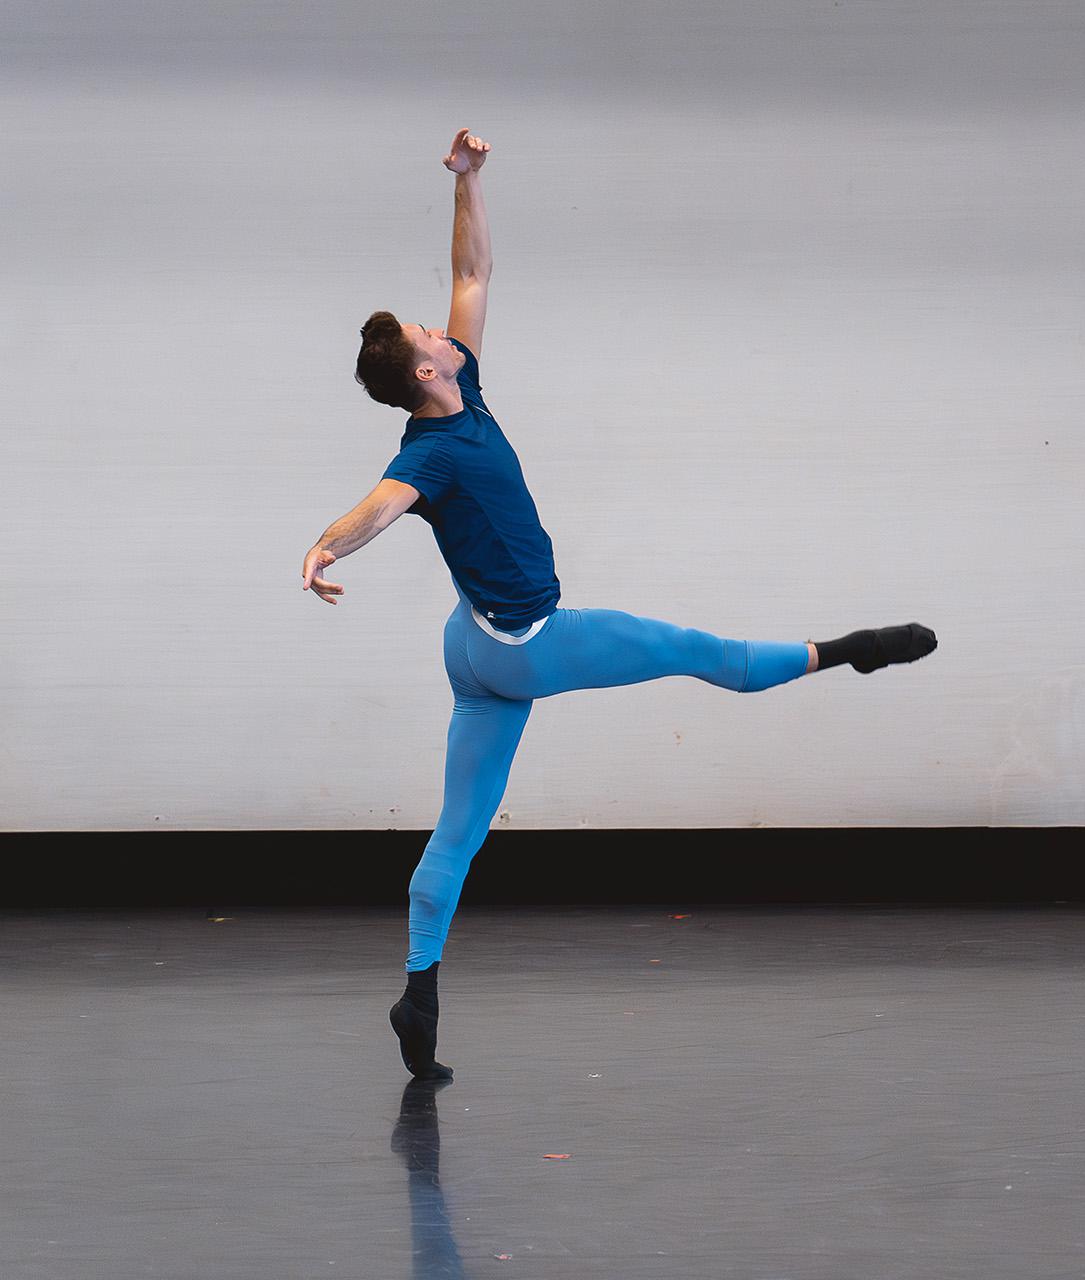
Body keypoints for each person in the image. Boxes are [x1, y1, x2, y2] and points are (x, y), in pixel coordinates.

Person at [301, 129, 937, 1080]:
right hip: (525, 643)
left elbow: (472, 270)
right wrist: (324, 546)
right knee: (699, 651)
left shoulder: (459, 390)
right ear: (426, 374)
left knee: (458, 832)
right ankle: (848, 649)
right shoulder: (427, 454)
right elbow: (377, 509)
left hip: (469, 650)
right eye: (433, 338)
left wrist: (468, 182)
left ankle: (419, 993)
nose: (447, 332)